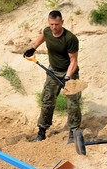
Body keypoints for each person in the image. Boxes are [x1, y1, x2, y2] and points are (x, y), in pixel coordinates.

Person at [26, 10, 81, 143]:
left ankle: (73, 133)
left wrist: (67, 77)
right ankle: (41, 132)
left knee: (73, 104)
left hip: (70, 72)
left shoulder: (70, 38)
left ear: (62, 22)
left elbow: (74, 61)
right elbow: (43, 35)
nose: (54, 27)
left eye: (57, 24)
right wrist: (33, 48)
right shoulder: (47, 31)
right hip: (53, 72)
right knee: (47, 101)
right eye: (51, 24)